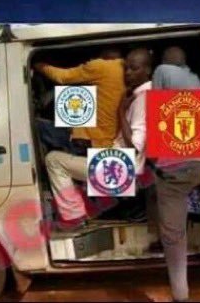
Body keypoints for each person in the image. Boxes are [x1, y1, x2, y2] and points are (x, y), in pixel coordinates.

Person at [45, 48, 152, 228]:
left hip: (120, 167)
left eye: (134, 69)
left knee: (53, 160)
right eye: (126, 68)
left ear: (147, 70)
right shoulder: (141, 93)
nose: (127, 73)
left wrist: (120, 111)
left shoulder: (142, 98)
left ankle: (74, 216)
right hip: (120, 164)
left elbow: (134, 147)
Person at [148, 46, 200, 303]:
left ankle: (180, 295)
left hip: (177, 166)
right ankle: (163, 234)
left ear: (163, 61)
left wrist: (154, 158)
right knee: (169, 198)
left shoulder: (161, 71)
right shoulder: (196, 78)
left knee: (173, 234)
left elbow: (156, 112)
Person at [34, 47, 125, 156]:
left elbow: (62, 77)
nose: (90, 60)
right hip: (108, 140)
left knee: (34, 124)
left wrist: (38, 65)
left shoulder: (101, 66)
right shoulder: (126, 67)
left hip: (90, 141)